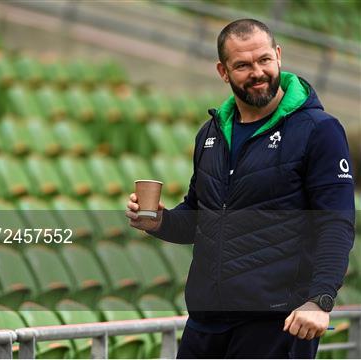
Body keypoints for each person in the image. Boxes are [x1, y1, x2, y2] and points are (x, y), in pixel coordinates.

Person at [126, 19, 355, 358]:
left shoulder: (319, 131)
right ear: (223, 71)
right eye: (243, 65)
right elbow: (200, 216)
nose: (257, 72)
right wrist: (160, 222)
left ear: (278, 55)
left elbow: (335, 223)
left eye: (264, 60)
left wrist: (320, 299)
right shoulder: (210, 134)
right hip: (206, 320)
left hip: (277, 321)